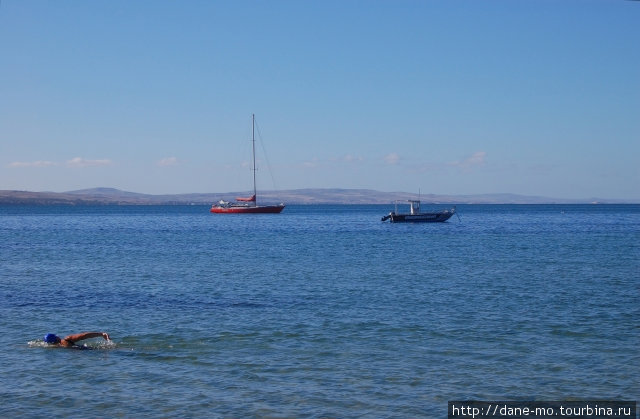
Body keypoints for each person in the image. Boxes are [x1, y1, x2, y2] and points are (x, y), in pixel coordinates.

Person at [43, 331, 110, 348]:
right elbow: (84, 335)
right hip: (87, 350)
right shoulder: (67, 339)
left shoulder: (56, 347)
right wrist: (101, 334)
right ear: (56, 337)